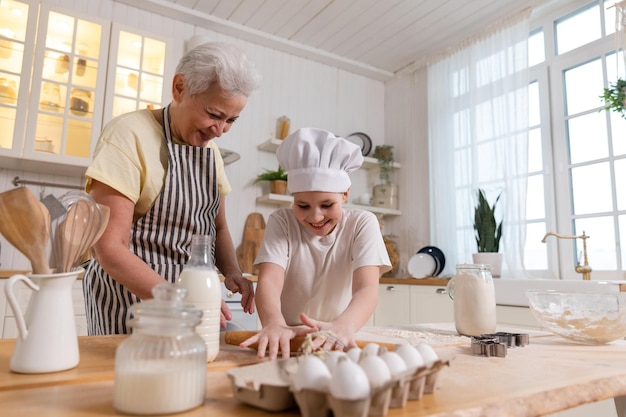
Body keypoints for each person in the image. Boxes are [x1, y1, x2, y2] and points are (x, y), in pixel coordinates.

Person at [82, 42, 260, 335]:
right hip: (133, 304)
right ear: (179, 88)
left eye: (231, 120)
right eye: (214, 115)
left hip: (192, 304)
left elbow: (218, 227)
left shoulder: (211, 153)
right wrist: (178, 299)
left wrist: (233, 273)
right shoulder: (128, 134)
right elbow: (108, 248)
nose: (220, 130)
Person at [241, 128, 392, 359]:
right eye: (303, 206)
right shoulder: (282, 222)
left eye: (327, 205)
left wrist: (344, 326)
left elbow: (367, 288)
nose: (316, 216)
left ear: (345, 194)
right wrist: (274, 323)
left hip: (340, 337)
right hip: (286, 337)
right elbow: (269, 282)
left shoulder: (362, 223)